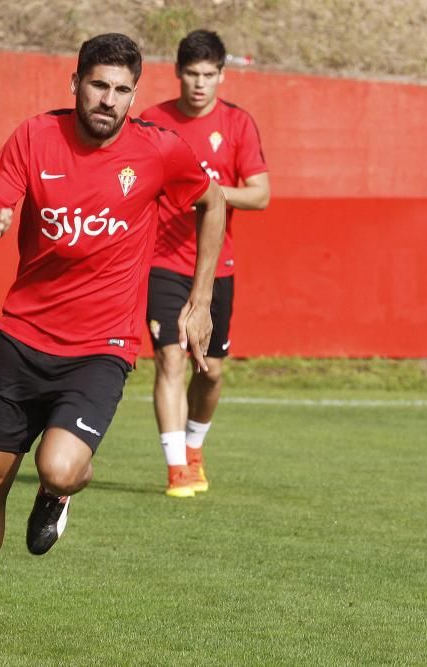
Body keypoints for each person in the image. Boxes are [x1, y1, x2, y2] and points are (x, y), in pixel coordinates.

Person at [0, 33, 227, 651]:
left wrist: (199, 300)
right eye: (99, 85)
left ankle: (57, 492)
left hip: (103, 344)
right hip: (23, 334)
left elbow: (214, 202)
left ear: (134, 95)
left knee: (58, 466)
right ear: (75, 83)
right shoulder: (35, 136)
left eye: (122, 90)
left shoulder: (158, 149)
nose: (109, 100)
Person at [140, 29, 270, 498]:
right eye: (191, 74)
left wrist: (206, 193)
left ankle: (194, 447)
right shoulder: (152, 122)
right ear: (177, 72)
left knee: (210, 372)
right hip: (160, 260)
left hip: (216, 266)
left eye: (208, 75)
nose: (199, 84)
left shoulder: (238, 124)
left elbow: (260, 194)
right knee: (170, 359)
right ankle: (177, 470)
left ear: (222, 75)